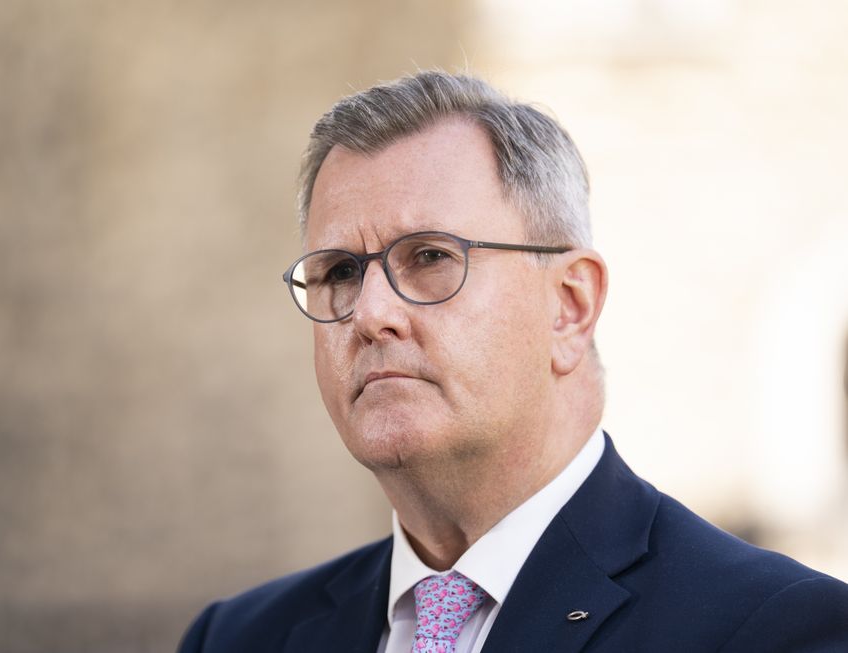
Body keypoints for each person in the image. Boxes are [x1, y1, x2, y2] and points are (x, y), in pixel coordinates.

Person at [179, 71, 848, 652]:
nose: (370, 312)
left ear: (570, 305)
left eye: (431, 256)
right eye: (341, 270)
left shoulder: (771, 629)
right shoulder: (239, 638)